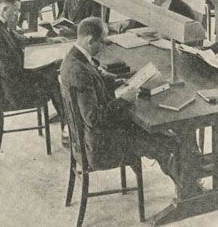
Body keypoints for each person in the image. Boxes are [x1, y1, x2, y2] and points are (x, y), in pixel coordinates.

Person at [59, 17, 205, 199]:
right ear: (90, 41)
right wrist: (124, 100)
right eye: (102, 41)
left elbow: (95, 76)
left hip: (93, 137)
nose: (103, 46)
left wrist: (117, 81)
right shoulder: (78, 71)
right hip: (101, 146)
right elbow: (93, 117)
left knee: (169, 135)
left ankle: (189, 184)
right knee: (165, 141)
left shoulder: (74, 58)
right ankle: (190, 194)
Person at [0, 0, 66, 142]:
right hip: (15, 92)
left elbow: (22, 39)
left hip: (13, 82)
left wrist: (48, 40)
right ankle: (67, 129)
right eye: (15, 12)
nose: (18, 16)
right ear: (4, 9)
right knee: (54, 78)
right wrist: (36, 68)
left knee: (51, 71)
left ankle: (66, 126)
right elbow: (9, 71)